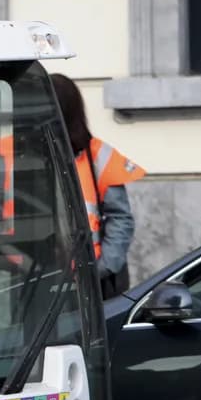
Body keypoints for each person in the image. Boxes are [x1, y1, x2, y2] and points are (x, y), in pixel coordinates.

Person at [50, 73, 146, 300]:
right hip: (41, 280)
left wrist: (101, 269)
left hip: (96, 283)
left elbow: (120, 218)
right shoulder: (18, 156)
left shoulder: (98, 157)